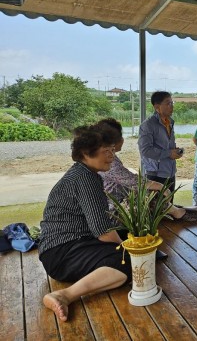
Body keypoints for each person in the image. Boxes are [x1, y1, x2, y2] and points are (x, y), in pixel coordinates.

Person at [39, 123, 131, 322]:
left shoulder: (84, 173)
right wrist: (128, 249)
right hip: (61, 253)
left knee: (128, 236)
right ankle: (65, 295)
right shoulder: (86, 178)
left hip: (70, 244)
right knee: (127, 260)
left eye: (112, 150)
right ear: (86, 153)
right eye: (106, 150)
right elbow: (103, 231)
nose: (111, 156)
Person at [98, 118, 197, 222]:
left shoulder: (105, 156)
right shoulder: (106, 160)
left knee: (153, 195)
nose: (123, 139)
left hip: (121, 200)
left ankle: (187, 210)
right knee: (150, 194)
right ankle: (181, 213)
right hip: (115, 210)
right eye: (121, 136)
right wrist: (160, 186)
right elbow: (133, 181)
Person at [138, 91, 183, 196]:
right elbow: (145, 150)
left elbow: (166, 145)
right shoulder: (148, 125)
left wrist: (175, 151)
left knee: (170, 208)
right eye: (168, 103)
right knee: (157, 210)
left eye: (172, 103)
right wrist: (169, 153)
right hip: (155, 175)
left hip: (170, 172)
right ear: (157, 107)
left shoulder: (170, 122)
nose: (172, 106)